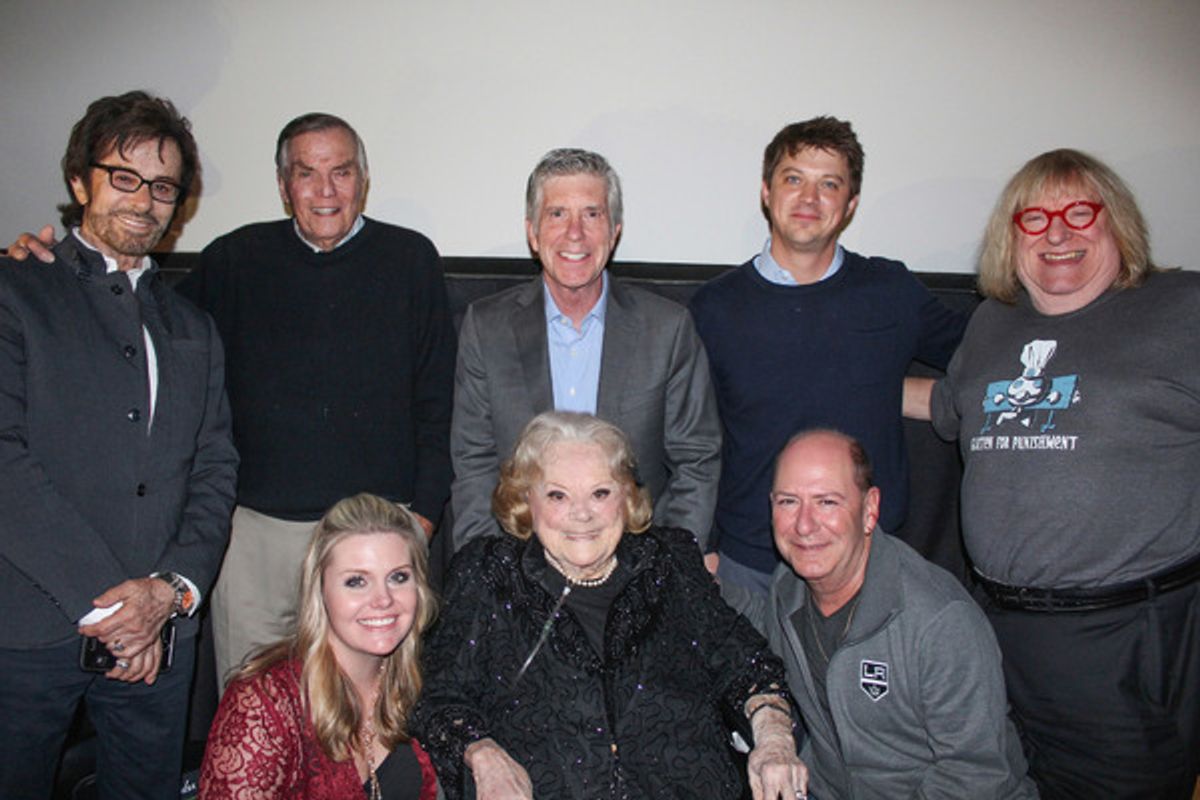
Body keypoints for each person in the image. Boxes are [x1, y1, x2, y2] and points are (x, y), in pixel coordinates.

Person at [6, 112, 457, 685]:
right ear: (283, 185)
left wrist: (420, 519)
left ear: (362, 181)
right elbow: (138, 318)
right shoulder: (234, 258)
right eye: (306, 174)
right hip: (256, 538)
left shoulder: (410, 259)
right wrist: (53, 270)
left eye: (341, 172)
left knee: (374, 703)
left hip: (376, 531)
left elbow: (437, 402)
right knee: (250, 701)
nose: (325, 190)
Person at [924, 149, 1200, 798]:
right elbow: (946, 407)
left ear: (1117, 221)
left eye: (1079, 212)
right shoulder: (994, 322)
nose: (1056, 233)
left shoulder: (1182, 307)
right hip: (1000, 634)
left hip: (1126, 643)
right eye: (1034, 218)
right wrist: (831, 385)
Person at [0, 91, 238, 798]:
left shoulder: (194, 327)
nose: (144, 200)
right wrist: (115, 614)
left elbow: (215, 469)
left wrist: (169, 593)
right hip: (29, 630)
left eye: (163, 186)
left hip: (160, 636)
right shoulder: (14, 292)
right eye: (124, 176)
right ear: (81, 182)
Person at [414, 411, 806, 799]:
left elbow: (749, 665)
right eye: (557, 495)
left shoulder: (668, 562)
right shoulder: (489, 573)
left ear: (627, 497)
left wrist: (774, 741)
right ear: (526, 500)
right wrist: (482, 754)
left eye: (600, 493)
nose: (582, 514)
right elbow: (435, 697)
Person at [688, 116, 966, 594]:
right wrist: (704, 546)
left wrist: (913, 394)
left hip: (868, 564)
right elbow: (690, 438)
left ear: (850, 204)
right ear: (767, 192)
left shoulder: (890, 293)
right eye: (793, 179)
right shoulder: (714, 308)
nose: (809, 198)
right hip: (748, 566)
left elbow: (988, 356)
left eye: (829, 184)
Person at [725, 430, 1036, 798]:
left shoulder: (939, 621)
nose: (804, 525)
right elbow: (754, 623)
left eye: (827, 502)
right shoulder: (788, 590)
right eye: (788, 502)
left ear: (870, 509)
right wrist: (686, 571)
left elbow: (975, 774)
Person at [449, 148, 721, 566]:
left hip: (637, 569)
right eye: (557, 214)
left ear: (614, 233)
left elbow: (696, 461)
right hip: (518, 568)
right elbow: (473, 464)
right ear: (532, 233)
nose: (574, 233)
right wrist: (490, 574)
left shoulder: (666, 329)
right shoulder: (487, 329)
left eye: (592, 214)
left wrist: (665, 570)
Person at [200, 493, 438, 799]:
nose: (383, 600)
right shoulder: (264, 704)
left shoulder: (416, 684)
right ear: (320, 590)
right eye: (356, 581)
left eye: (398, 577)